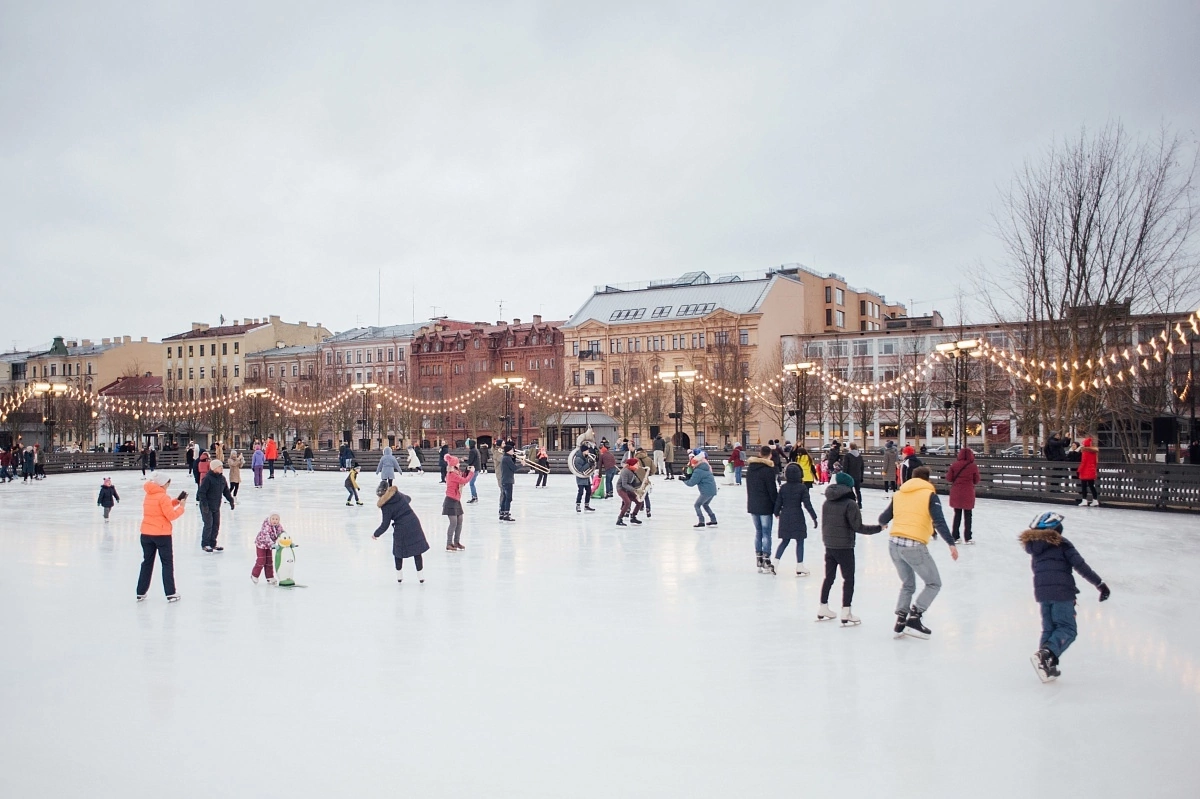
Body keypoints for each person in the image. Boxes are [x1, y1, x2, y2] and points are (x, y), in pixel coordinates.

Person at [1021, 512, 1110, 682]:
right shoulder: (1062, 544)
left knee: (1049, 629)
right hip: (1062, 593)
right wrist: (1100, 584)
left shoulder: (1035, 547)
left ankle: (1047, 666)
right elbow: (1081, 566)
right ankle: (1046, 654)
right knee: (1068, 629)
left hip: (1042, 593)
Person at [878, 465, 959, 639]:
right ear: (927, 480)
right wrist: (951, 544)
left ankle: (901, 619)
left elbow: (883, 518)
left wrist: (883, 524)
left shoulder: (899, 494)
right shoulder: (929, 495)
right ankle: (915, 617)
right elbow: (939, 521)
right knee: (934, 583)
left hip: (893, 544)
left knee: (908, 584)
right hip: (913, 545)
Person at [818, 472, 884, 624]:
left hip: (829, 544)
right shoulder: (850, 504)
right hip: (845, 547)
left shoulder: (827, 502)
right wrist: (878, 528)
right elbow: (858, 527)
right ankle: (846, 611)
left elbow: (826, 524)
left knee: (829, 577)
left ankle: (823, 606)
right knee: (848, 578)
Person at [136, 472, 184, 602]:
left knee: (147, 562)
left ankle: (140, 591)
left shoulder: (149, 495)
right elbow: (171, 515)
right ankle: (170, 592)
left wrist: (176, 501)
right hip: (162, 535)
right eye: (168, 483)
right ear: (163, 484)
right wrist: (182, 508)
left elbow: (160, 508)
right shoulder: (163, 497)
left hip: (146, 533)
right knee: (167, 563)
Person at [374, 483, 430, 583]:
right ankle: (421, 576)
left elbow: (385, 524)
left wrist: (376, 534)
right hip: (413, 522)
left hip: (401, 527)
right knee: (417, 550)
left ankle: (399, 576)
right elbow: (408, 498)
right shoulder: (397, 494)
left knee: (398, 551)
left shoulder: (385, 506)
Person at [774, 463, 818, 576]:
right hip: (797, 515)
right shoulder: (802, 487)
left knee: (785, 541)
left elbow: (778, 502)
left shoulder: (783, 487)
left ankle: (775, 563)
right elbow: (807, 504)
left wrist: (776, 512)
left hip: (785, 515)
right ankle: (800, 565)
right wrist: (814, 517)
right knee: (800, 541)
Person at [745, 445, 777, 573]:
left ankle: (758, 558)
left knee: (758, 531)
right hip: (765, 505)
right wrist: (777, 506)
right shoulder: (768, 470)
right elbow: (772, 491)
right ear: (770, 455)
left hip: (753, 504)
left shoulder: (751, 469)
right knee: (766, 532)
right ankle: (766, 558)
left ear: (759, 453)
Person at [197, 459, 235, 552]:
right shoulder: (207, 478)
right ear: (214, 468)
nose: (222, 468)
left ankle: (213, 543)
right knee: (208, 525)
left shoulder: (222, 479)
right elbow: (201, 493)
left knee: (216, 525)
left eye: (222, 466)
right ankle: (205, 544)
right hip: (206, 506)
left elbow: (226, 491)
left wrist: (231, 500)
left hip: (216, 505)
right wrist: (205, 505)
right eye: (220, 467)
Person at [946, 447, 980, 543]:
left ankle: (955, 536)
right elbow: (976, 480)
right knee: (968, 515)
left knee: (957, 514)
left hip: (956, 492)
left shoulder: (954, 465)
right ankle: (968, 537)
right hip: (968, 493)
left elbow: (949, 478)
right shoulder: (973, 466)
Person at [442, 454, 473, 550]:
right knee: (453, 523)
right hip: (450, 500)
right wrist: (471, 473)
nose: (459, 464)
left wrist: (467, 471)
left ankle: (456, 542)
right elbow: (464, 480)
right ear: (454, 464)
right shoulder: (451, 475)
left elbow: (462, 476)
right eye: (458, 463)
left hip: (456, 500)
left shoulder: (456, 472)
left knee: (460, 521)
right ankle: (449, 543)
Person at [682, 451, 718, 528]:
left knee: (697, 505)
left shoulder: (698, 471)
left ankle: (701, 521)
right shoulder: (705, 468)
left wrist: (684, 480)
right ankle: (713, 519)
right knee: (705, 504)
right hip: (712, 490)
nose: (692, 465)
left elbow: (691, 483)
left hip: (706, 491)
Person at [251, 514, 284, 585]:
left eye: (276, 519)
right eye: (273, 519)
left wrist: (288, 542)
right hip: (261, 544)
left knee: (269, 561)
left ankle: (270, 577)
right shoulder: (266, 526)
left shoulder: (278, 526)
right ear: (270, 519)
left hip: (269, 546)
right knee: (262, 560)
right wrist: (272, 544)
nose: (275, 521)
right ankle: (254, 575)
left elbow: (282, 534)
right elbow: (266, 536)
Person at [615, 457, 644, 526]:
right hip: (621, 489)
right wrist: (634, 490)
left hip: (628, 489)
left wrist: (642, 485)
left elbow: (632, 483)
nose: (638, 465)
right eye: (637, 464)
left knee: (639, 501)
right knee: (627, 502)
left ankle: (633, 516)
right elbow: (624, 484)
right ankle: (619, 519)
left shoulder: (633, 471)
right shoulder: (625, 471)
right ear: (632, 464)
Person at [573, 443, 597, 513]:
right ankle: (578, 505)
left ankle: (586, 505)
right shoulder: (578, 459)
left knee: (589, 491)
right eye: (587, 451)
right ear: (583, 451)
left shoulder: (586, 457)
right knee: (580, 492)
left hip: (586, 478)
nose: (588, 452)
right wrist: (588, 464)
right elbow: (581, 469)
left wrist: (591, 464)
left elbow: (588, 466)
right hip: (580, 478)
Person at [1077, 437, 1100, 506]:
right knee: (1091, 486)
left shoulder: (1085, 452)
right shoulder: (1094, 452)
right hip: (1092, 471)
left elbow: (1083, 462)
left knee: (1084, 486)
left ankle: (1084, 500)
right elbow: (1095, 462)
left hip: (1085, 471)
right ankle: (1095, 500)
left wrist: (1079, 470)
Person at [842, 442, 865, 508]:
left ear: (850, 447)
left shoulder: (847, 456)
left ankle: (852, 503)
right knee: (858, 490)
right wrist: (861, 476)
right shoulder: (859, 456)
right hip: (858, 476)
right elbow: (862, 467)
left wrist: (844, 476)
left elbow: (845, 467)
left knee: (850, 490)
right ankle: (859, 504)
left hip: (849, 476)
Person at [498, 442, 517, 521]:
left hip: (505, 480)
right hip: (508, 480)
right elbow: (514, 468)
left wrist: (514, 458)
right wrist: (522, 464)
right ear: (508, 451)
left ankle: (502, 513)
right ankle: (506, 513)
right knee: (508, 498)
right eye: (512, 450)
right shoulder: (507, 458)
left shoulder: (506, 458)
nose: (513, 451)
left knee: (505, 497)